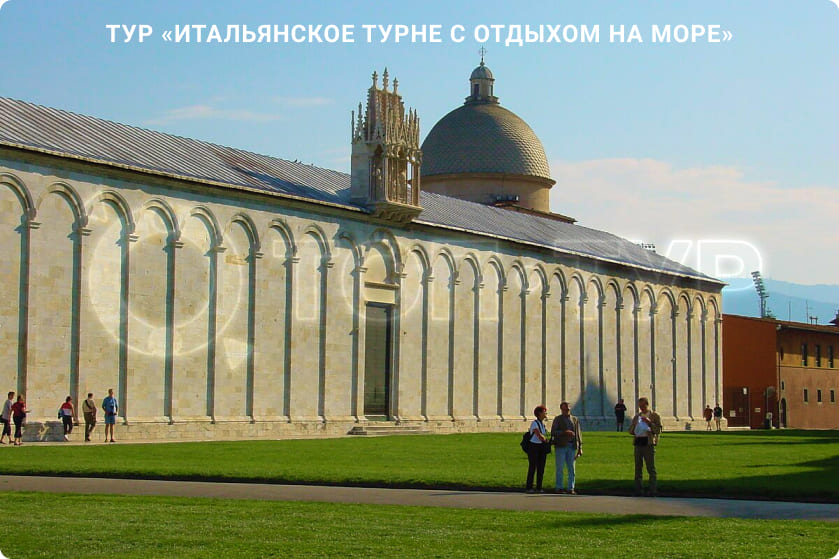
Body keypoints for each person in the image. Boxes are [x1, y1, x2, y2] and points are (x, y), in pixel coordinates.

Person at [629, 396, 662, 497]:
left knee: (651, 468)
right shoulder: (637, 417)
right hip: (638, 443)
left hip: (648, 443)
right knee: (638, 468)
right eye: (640, 406)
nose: (641, 408)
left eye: (643, 406)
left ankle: (652, 490)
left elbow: (658, 430)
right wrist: (635, 426)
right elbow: (630, 431)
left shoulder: (654, 416)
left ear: (647, 405)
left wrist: (649, 423)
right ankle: (638, 490)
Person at [550, 402, 583, 494]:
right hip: (561, 446)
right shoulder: (558, 419)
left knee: (572, 469)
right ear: (561, 409)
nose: (566, 411)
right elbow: (553, 432)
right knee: (560, 468)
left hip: (572, 446)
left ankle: (571, 488)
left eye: (568, 409)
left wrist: (580, 447)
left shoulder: (575, 419)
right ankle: (559, 487)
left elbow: (578, 433)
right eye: (564, 409)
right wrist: (564, 432)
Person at [525, 405, 550, 493]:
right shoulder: (534, 423)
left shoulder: (542, 424)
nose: (546, 413)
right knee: (533, 467)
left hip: (541, 447)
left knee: (541, 467)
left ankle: (539, 487)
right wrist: (546, 440)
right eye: (544, 412)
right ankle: (529, 487)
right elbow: (539, 435)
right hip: (534, 447)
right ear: (539, 413)